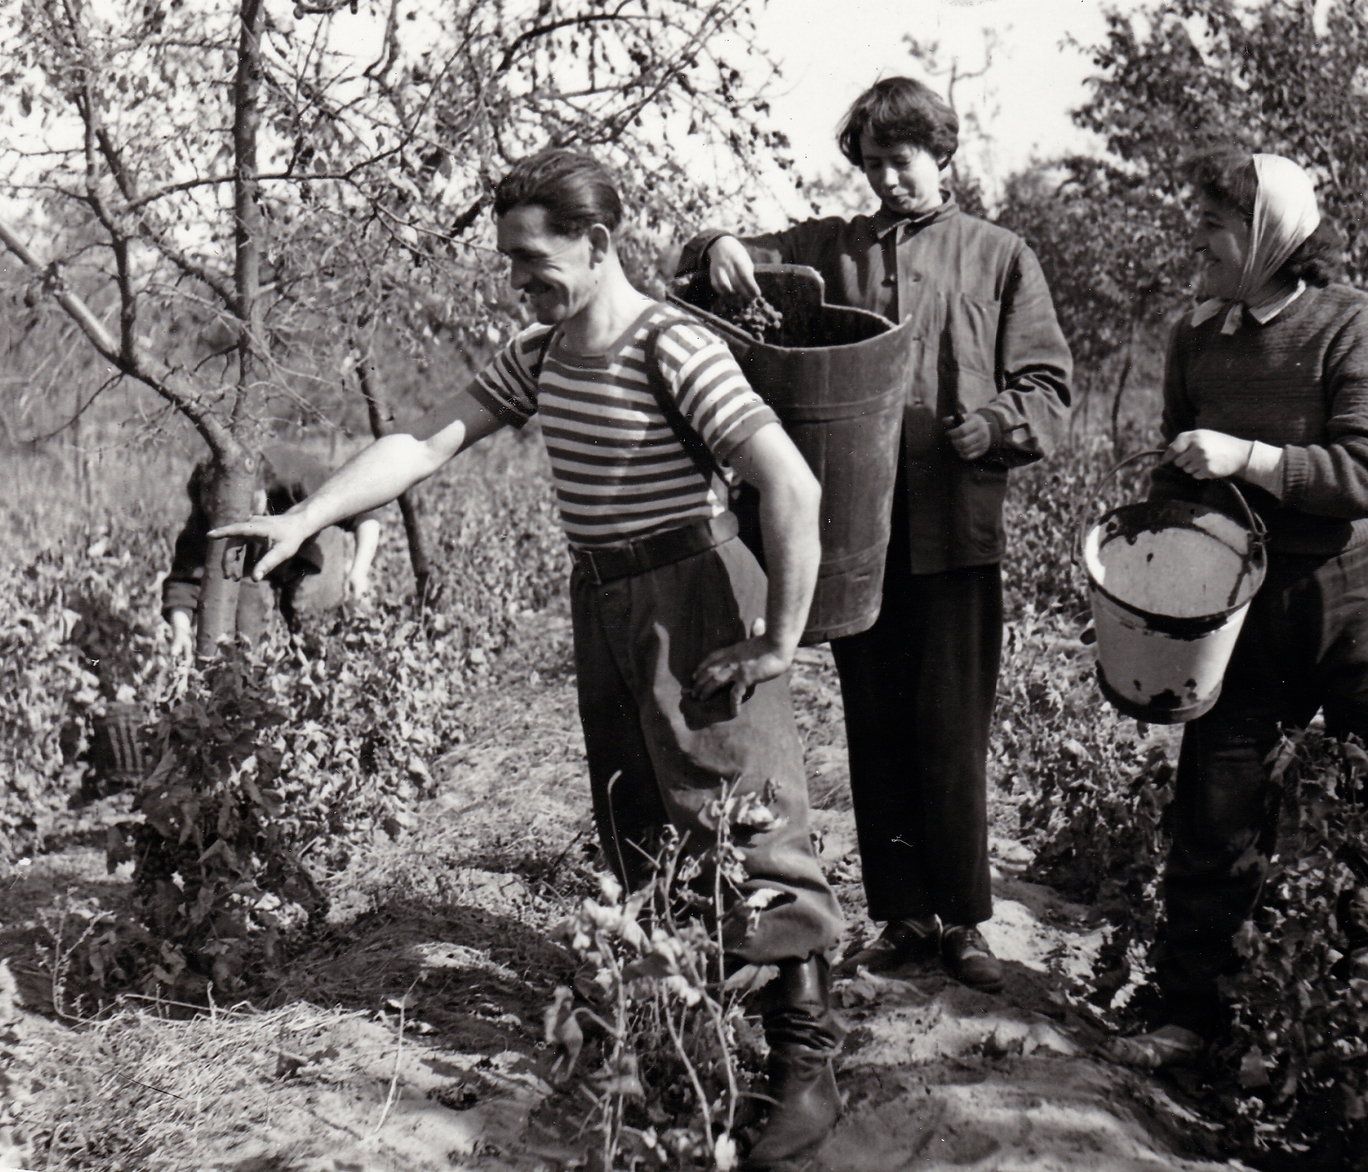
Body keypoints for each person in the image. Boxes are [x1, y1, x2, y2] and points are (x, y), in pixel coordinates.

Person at [213, 149, 846, 1165]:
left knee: (743, 811)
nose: (517, 278)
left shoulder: (669, 344)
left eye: (531, 257)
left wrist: (777, 640)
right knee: (642, 816)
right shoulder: (543, 353)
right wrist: (311, 518)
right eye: (508, 260)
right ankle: (679, 1037)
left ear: (599, 242)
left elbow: (792, 486)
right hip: (603, 594)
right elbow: (423, 443)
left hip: (693, 586)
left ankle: (803, 1059)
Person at [677, 77, 1074, 993]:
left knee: (952, 730)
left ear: (945, 156)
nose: (890, 178)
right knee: (878, 728)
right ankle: (901, 917)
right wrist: (723, 246)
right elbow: (708, 263)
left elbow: (1050, 389)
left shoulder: (1001, 258)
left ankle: (967, 925)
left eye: (906, 159)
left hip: (955, 535)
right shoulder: (829, 249)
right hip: (855, 542)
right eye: (874, 162)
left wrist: (997, 425)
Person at [1103, 150, 1368, 1069]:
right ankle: (1195, 1019)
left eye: (1212, 225)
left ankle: (1361, 1039)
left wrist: (1246, 457)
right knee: (1220, 797)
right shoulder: (1197, 336)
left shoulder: (1357, 327)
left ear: (1267, 236)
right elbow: (1185, 464)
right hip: (1250, 594)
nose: (1195, 241)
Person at [163, 444, 382, 659]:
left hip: (311, 541)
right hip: (252, 557)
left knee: (314, 621)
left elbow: (363, 516)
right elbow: (185, 579)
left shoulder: (298, 475)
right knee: (247, 631)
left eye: (251, 506)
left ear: (263, 486)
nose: (245, 517)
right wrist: (181, 631)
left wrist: (359, 571)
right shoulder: (209, 509)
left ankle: (318, 669)